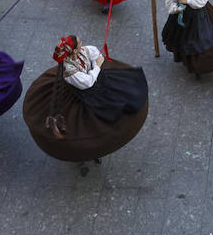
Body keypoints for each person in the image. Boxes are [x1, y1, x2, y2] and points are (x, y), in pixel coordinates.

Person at [21, 35, 149, 173]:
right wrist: (97, 66)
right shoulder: (70, 72)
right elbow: (87, 82)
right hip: (83, 95)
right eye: (79, 44)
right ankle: (81, 156)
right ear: (74, 50)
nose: (82, 44)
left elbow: (95, 53)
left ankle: (91, 154)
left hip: (95, 84)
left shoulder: (83, 51)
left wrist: (95, 64)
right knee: (83, 130)